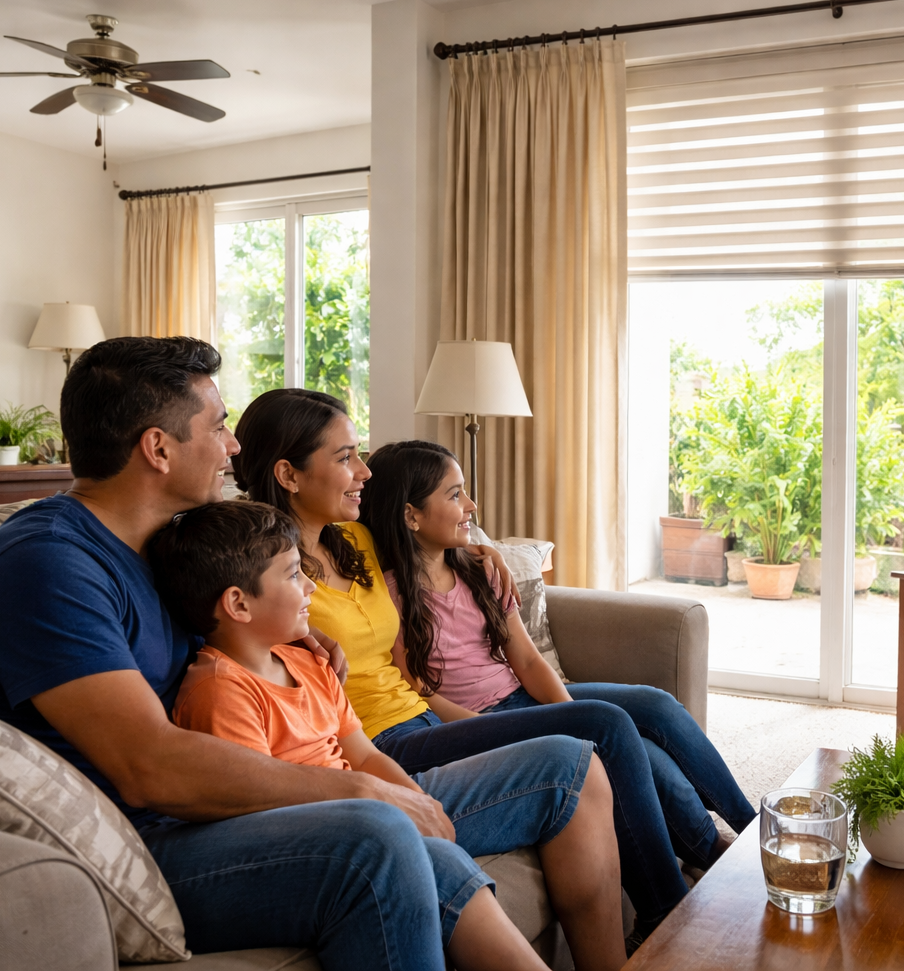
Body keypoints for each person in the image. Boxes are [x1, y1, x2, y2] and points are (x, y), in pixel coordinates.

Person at [0, 337, 616, 971]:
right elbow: (148, 767)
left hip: (236, 798)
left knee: (566, 764)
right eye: (217, 425)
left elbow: (225, 626)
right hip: (148, 844)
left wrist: (286, 635)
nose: (235, 444)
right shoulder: (49, 566)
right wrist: (356, 787)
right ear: (157, 448)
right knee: (377, 837)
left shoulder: (170, 544)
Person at [231, 388, 695, 946]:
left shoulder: (354, 537)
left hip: (423, 718)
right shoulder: (261, 573)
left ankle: (712, 861)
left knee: (634, 722)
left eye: (360, 453)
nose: (364, 472)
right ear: (288, 473)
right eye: (345, 457)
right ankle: (671, 918)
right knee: (601, 725)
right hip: (379, 739)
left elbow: (433, 523)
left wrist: (484, 548)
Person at [149, 500, 625, 971]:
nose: (312, 587)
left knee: (571, 762)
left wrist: (419, 801)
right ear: (237, 603)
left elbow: (362, 754)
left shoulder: (307, 659)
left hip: (368, 801)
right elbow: (258, 814)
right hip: (331, 829)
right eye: (294, 575)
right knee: (428, 856)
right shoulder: (220, 691)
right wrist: (394, 815)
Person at [360, 439, 756, 870]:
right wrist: (504, 731)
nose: (471, 504)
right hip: (479, 724)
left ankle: (753, 832)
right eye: (455, 495)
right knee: (645, 752)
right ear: (410, 514)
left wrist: (570, 718)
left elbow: (527, 662)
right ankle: (714, 855)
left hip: (522, 698)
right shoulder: (390, 597)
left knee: (655, 705)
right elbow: (422, 695)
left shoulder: (481, 570)